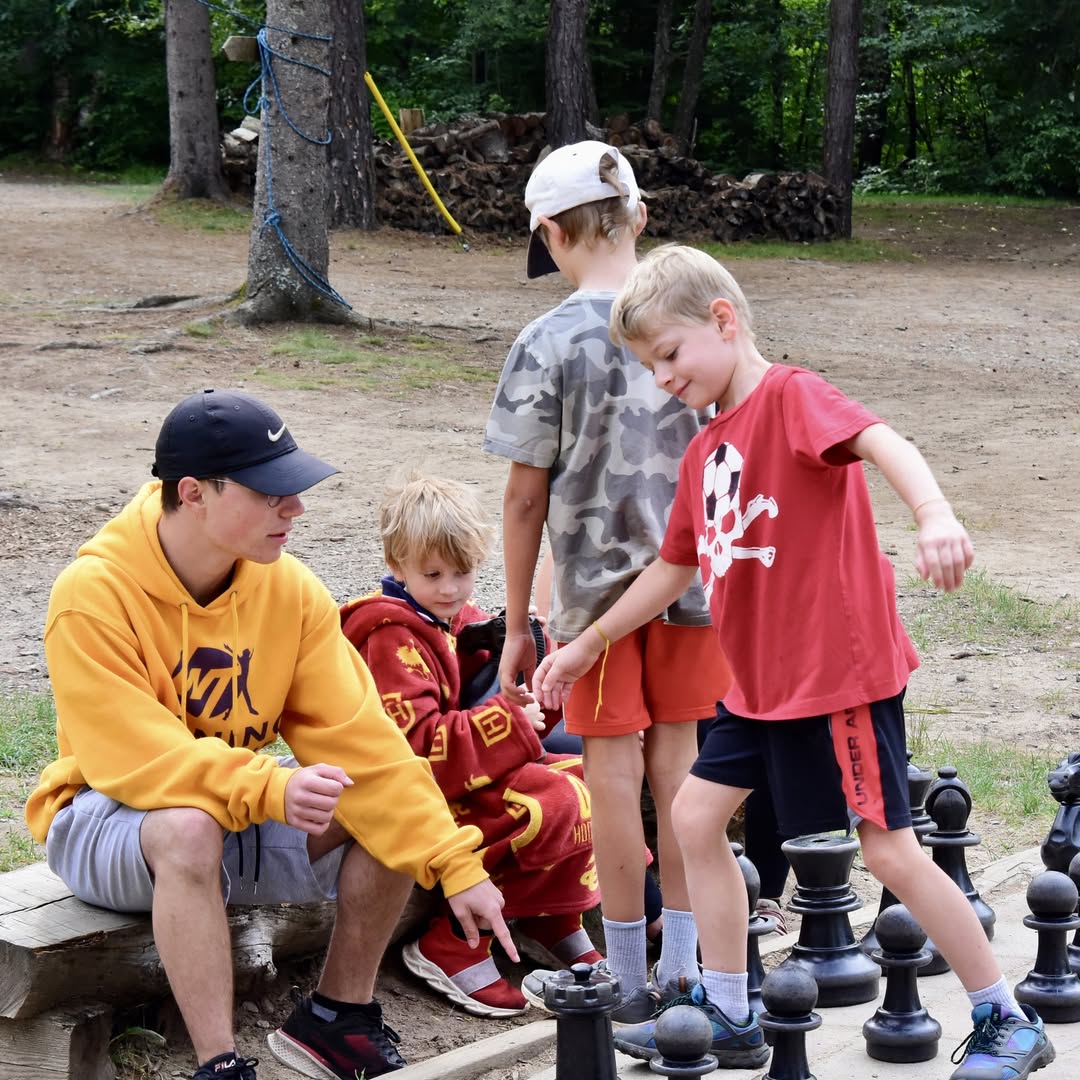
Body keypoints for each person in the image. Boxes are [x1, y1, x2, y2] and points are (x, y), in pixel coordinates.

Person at [531, 244, 1054, 1079]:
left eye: (670, 355)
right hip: (759, 689)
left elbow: (882, 438)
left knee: (888, 853)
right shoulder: (705, 453)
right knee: (696, 823)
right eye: (649, 366)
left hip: (839, 676)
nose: (663, 377)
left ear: (724, 322)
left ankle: (1004, 1015)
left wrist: (934, 513)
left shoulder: (793, 397)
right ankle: (733, 1012)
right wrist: (591, 640)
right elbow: (674, 567)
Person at [24, 389, 517, 1080]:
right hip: (107, 817)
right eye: (271, 493)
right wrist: (267, 785)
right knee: (188, 826)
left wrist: (455, 864)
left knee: (376, 801)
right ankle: (218, 1065)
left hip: (238, 808)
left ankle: (337, 1018)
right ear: (194, 493)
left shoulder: (289, 590)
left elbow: (366, 746)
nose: (296, 508)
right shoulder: (92, 593)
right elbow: (130, 758)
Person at [482, 140, 729, 1022]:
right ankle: (692, 969)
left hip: (591, 603)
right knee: (684, 767)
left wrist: (517, 622)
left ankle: (628, 976)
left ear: (550, 233)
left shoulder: (545, 340)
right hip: (696, 588)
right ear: (641, 217)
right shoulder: (697, 316)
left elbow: (521, 498)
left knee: (611, 774)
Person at [339, 473, 602, 1018]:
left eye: (464, 572)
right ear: (396, 564)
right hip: (403, 787)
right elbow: (416, 749)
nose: (452, 588)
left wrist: (539, 687)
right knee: (540, 800)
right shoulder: (388, 635)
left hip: (465, 767)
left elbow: (504, 694)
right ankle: (453, 941)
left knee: (587, 777)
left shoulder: (454, 616)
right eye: (433, 574)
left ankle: (548, 912)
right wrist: (511, 721)